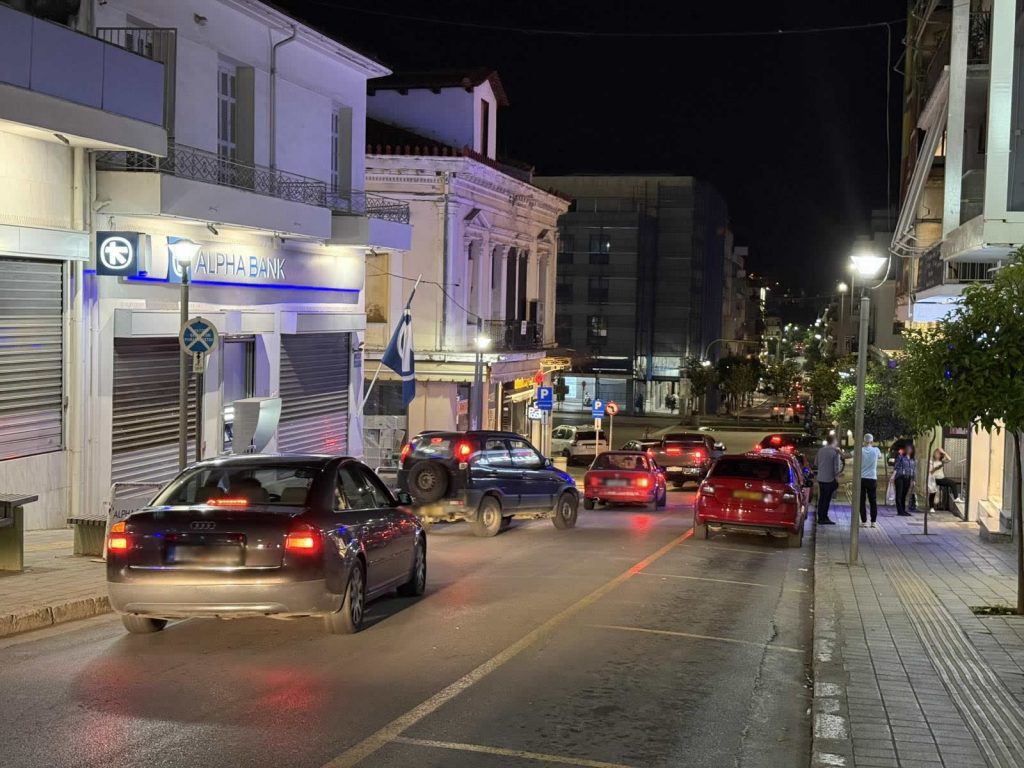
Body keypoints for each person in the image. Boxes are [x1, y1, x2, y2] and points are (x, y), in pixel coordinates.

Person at [815, 436, 843, 525]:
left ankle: (820, 517)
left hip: (820, 478)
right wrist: (837, 477)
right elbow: (836, 468)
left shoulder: (820, 450)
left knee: (822, 498)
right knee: (826, 499)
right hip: (829, 479)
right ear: (834, 441)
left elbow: (816, 463)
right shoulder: (835, 452)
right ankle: (824, 518)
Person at [860, 433, 882, 527]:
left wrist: (839, 451)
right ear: (872, 441)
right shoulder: (876, 450)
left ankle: (864, 522)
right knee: (873, 500)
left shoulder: (860, 450)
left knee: (862, 501)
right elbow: (880, 456)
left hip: (861, 478)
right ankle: (873, 522)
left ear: (864, 441)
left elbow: (847, 455)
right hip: (872, 478)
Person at [893, 445, 916, 517]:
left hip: (908, 478)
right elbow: (896, 467)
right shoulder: (901, 457)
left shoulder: (912, 459)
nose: (909, 450)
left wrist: (913, 479)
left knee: (904, 494)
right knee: (899, 494)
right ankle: (900, 511)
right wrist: (893, 476)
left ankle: (903, 510)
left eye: (910, 449)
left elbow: (914, 470)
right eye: (907, 448)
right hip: (900, 477)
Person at [927, 447, 951, 512]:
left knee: (943, 490)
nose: (937, 455)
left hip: (940, 478)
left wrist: (944, 452)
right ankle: (931, 507)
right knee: (932, 492)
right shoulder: (931, 461)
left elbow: (949, 459)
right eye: (937, 453)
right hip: (933, 479)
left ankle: (942, 505)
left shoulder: (942, 461)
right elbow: (930, 471)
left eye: (939, 454)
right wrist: (936, 468)